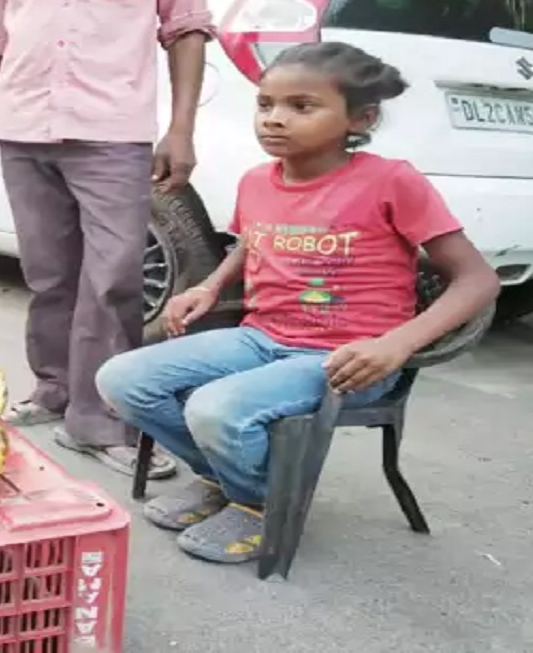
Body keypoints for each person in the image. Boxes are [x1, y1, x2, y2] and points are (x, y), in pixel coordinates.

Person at [95, 42, 502, 564]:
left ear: (361, 117)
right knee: (122, 380)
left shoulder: (391, 181)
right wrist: (210, 286)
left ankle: (262, 504)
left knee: (215, 409)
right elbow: (255, 240)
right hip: (261, 338)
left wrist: (396, 345)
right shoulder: (256, 180)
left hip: (347, 360)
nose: (275, 120)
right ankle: (224, 478)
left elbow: (477, 280)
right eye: (265, 105)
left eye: (301, 107)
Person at [0, 0, 213, 478]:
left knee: (114, 277)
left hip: (114, 128)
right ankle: (54, 389)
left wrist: (181, 128)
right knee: (48, 274)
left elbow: (186, 25)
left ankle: (102, 420)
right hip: (23, 125)